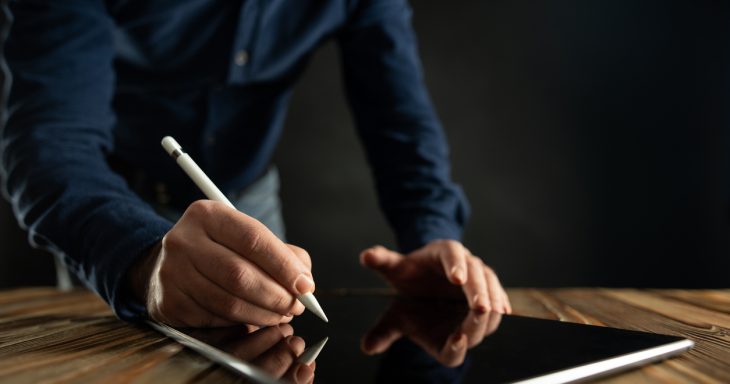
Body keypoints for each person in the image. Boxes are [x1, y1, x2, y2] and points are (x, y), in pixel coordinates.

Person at [0, 0, 511, 330]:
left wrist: (431, 235)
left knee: (268, 382)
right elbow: (51, 145)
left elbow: (400, 121)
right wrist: (140, 258)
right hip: (108, 205)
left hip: (248, 195)